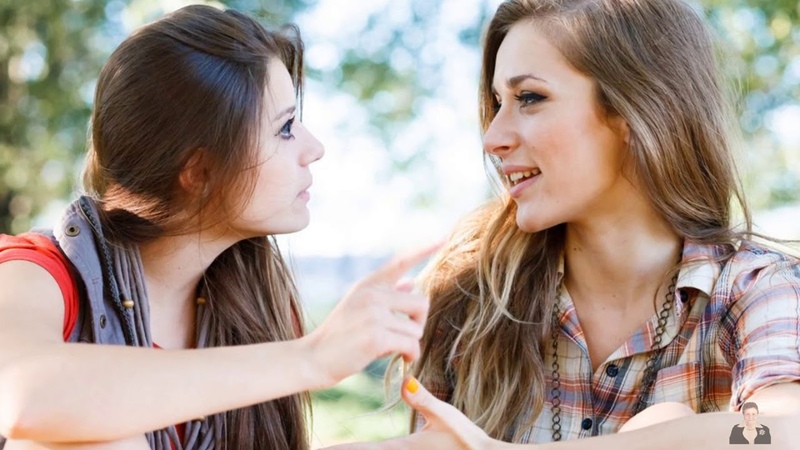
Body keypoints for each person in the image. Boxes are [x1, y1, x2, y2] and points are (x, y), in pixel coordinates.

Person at [328, 0, 800, 449]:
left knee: (664, 422)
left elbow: (781, 434)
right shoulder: (471, 297)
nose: (492, 137)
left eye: (530, 98)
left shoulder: (753, 288)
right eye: (497, 102)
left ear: (636, 109)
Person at [0, 5, 434, 450]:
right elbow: (23, 397)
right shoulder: (35, 273)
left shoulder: (249, 303)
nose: (315, 148)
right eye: (285, 128)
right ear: (199, 171)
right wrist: (312, 359)